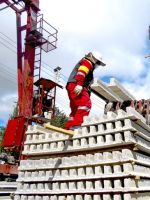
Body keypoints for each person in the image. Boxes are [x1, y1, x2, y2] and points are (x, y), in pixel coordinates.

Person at [65, 51, 106, 130]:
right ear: (92, 57)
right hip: (76, 85)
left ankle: (68, 127)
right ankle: (77, 125)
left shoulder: (86, 63)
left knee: (75, 109)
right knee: (86, 104)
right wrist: (79, 84)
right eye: (98, 62)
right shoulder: (87, 62)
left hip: (71, 85)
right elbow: (81, 72)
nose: (98, 64)